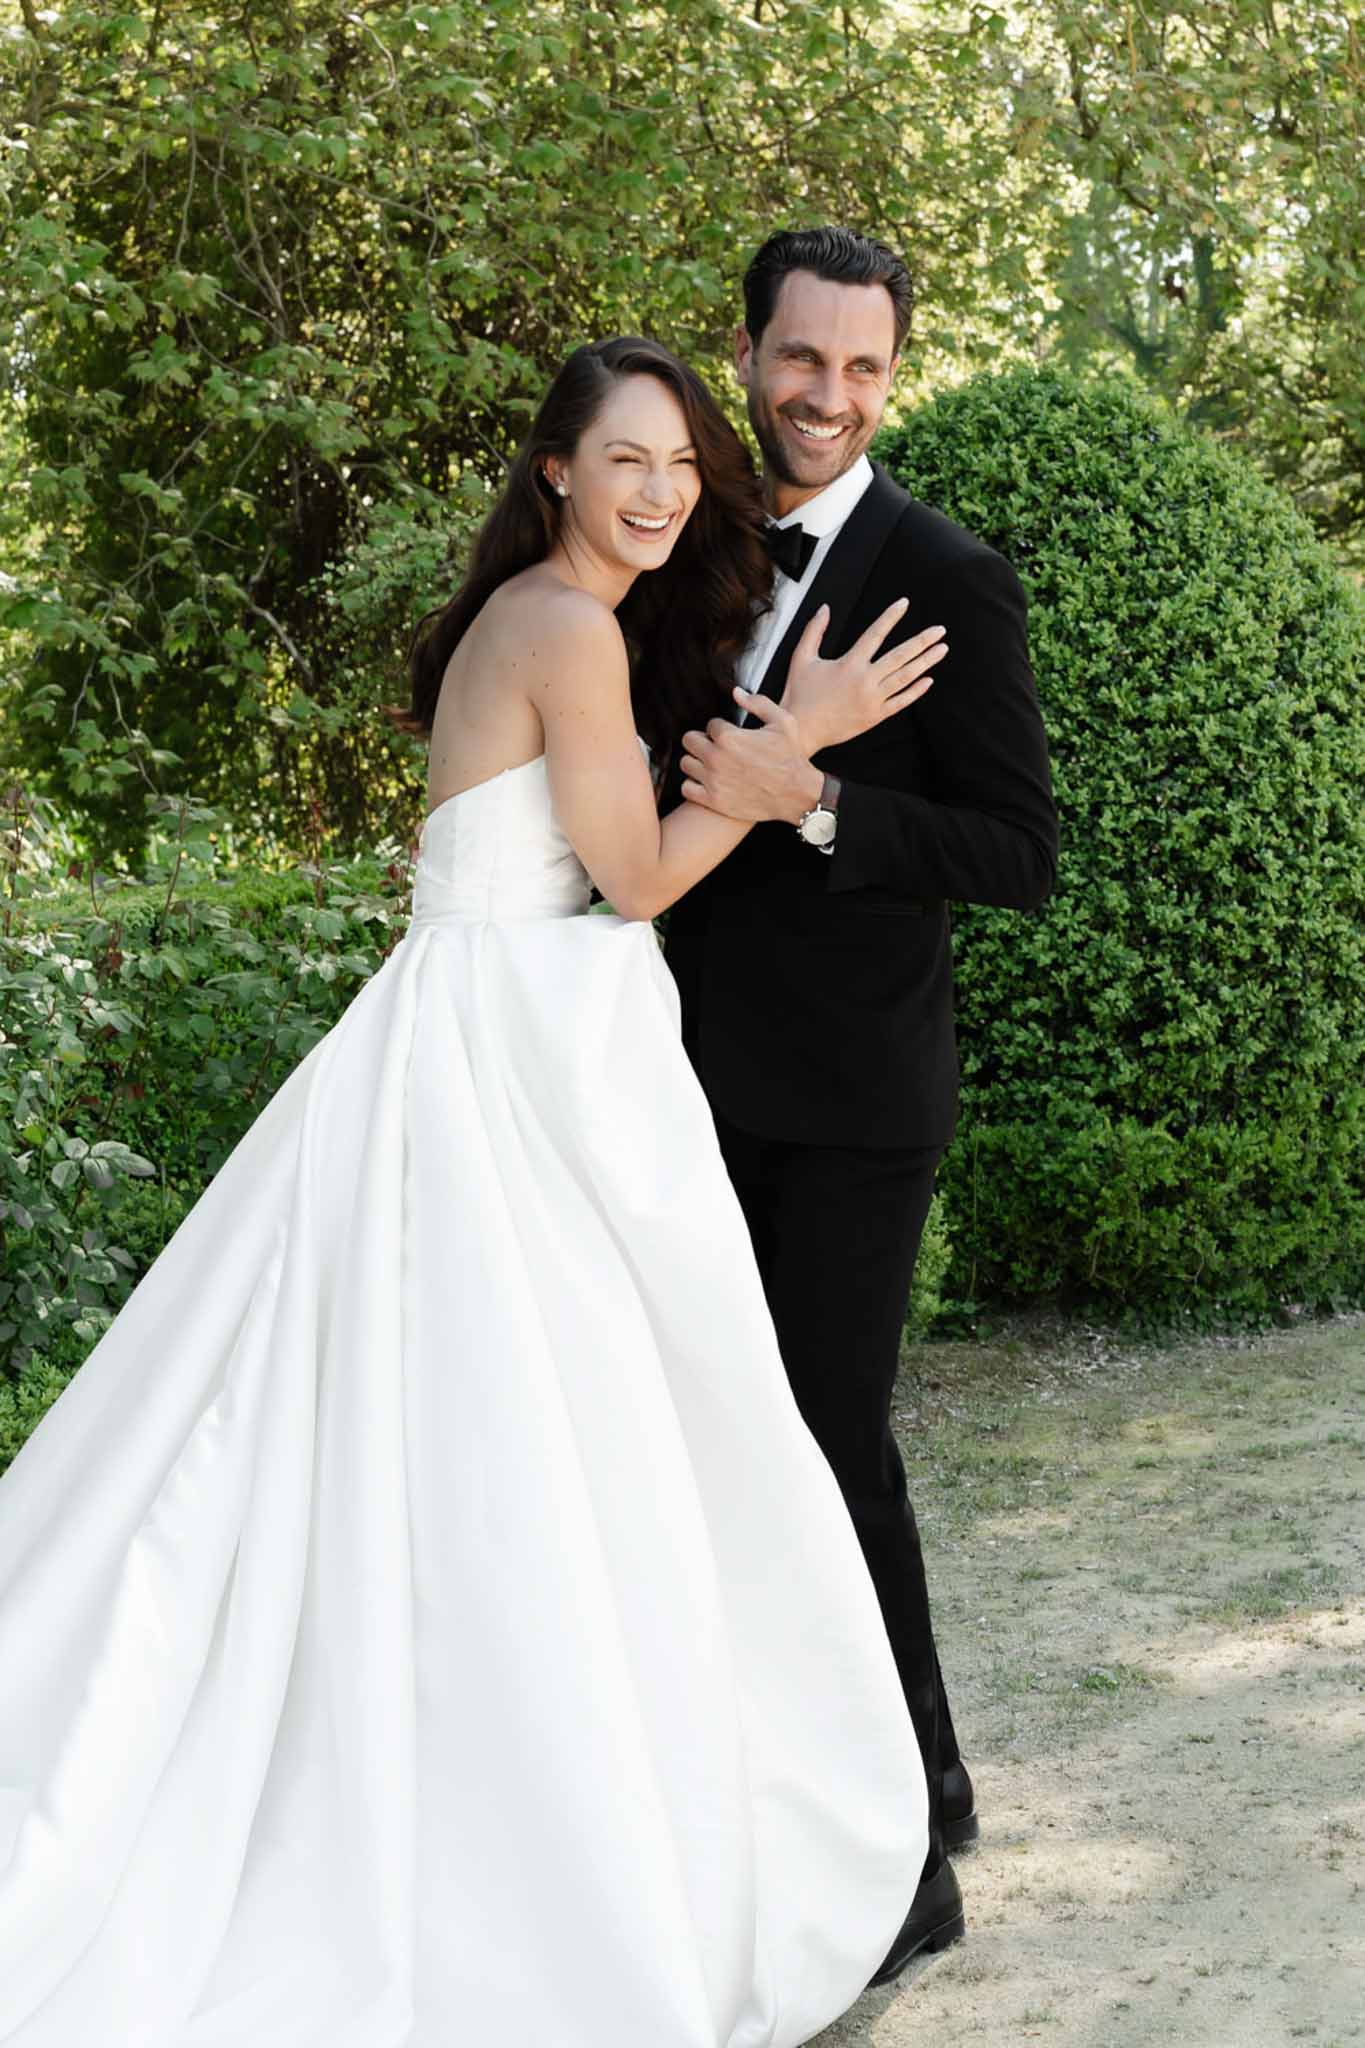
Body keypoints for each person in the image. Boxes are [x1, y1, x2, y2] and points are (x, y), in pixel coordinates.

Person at [0, 337, 950, 2047]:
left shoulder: (542, 621)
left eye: (680, 465)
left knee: (447, 1442)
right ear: (553, 475)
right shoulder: (565, 630)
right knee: (522, 1440)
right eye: (626, 463)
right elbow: (642, 880)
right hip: (502, 1058)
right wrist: (787, 746)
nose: (661, 492)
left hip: (477, 1031)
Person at [665, 228, 1060, 1982]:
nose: (828, 397)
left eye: (864, 369)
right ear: (745, 354)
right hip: (667, 1090)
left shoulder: (946, 572)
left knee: (826, 1460)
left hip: (847, 1105)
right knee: (755, 1457)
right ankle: (925, 1776)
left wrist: (811, 797)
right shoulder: (683, 544)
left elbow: (1017, 854)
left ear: (896, 377)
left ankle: (905, 1866)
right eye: (800, 360)